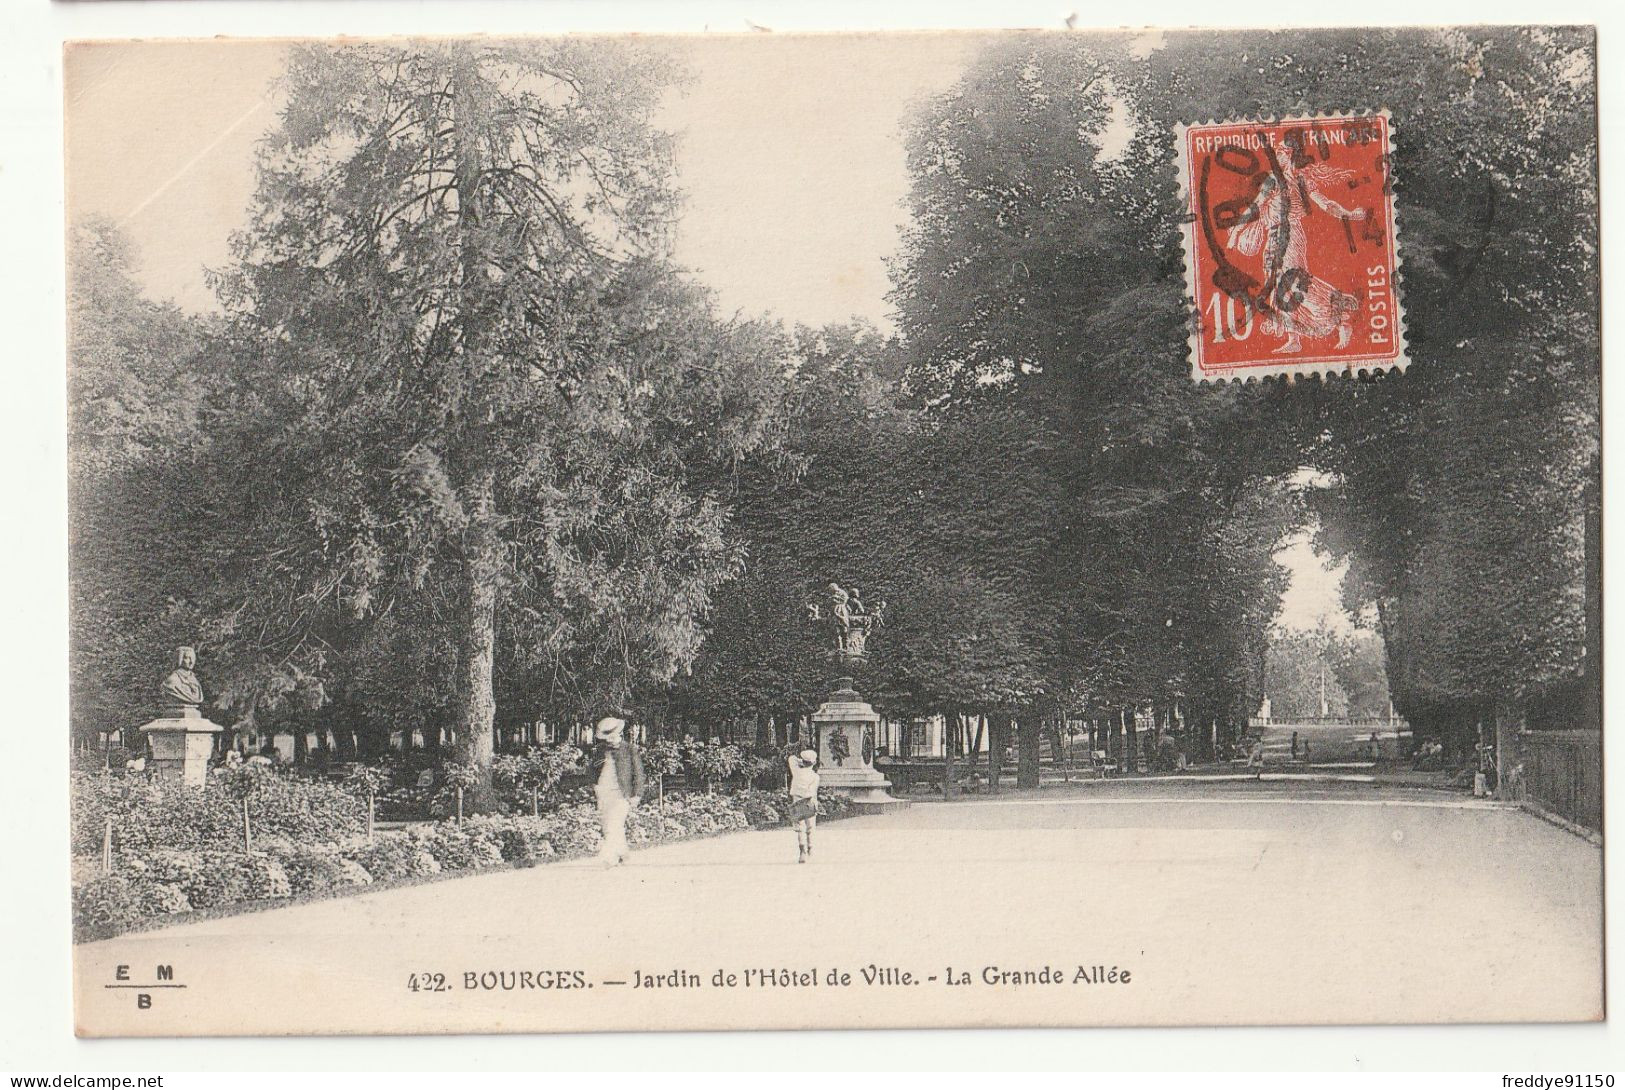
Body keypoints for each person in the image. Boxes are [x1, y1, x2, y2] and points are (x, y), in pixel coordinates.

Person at [588, 715, 646, 867]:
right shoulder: (600, 751)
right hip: (604, 793)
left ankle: (608, 858)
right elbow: (592, 771)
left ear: (619, 733)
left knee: (614, 823)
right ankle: (623, 853)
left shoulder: (629, 750)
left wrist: (637, 794)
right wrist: (595, 787)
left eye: (611, 736)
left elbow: (638, 773)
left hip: (622, 794)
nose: (609, 740)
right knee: (609, 825)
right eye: (606, 737)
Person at [787, 749, 820, 863]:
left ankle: (802, 852)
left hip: (797, 801)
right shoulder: (815, 776)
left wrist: (800, 761)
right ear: (814, 763)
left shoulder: (796, 771)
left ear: (802, 762)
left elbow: (791, 758)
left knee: (800, 828)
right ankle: (810, 848)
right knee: (811, 828)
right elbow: (812, 791)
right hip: (809, 802)